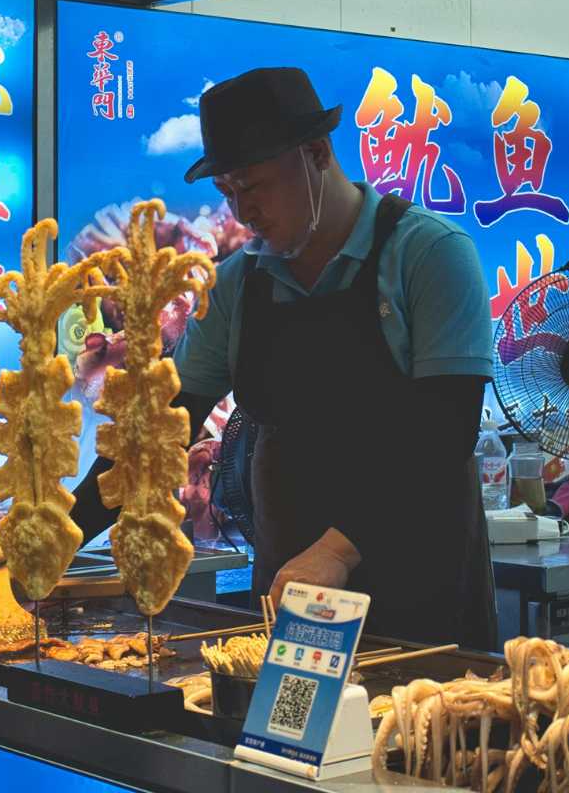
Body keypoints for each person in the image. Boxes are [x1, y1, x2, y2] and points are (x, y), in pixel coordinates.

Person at [58, 67, 499, 649]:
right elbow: (160, 436)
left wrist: (336, 553)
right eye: (229, 194)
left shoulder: (429, 255)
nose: (244, 213)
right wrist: (60, 533)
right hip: (289, 588)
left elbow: (446, 429)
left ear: (316, 153)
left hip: (421, 585)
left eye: (255, 187)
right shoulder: (239, 284)